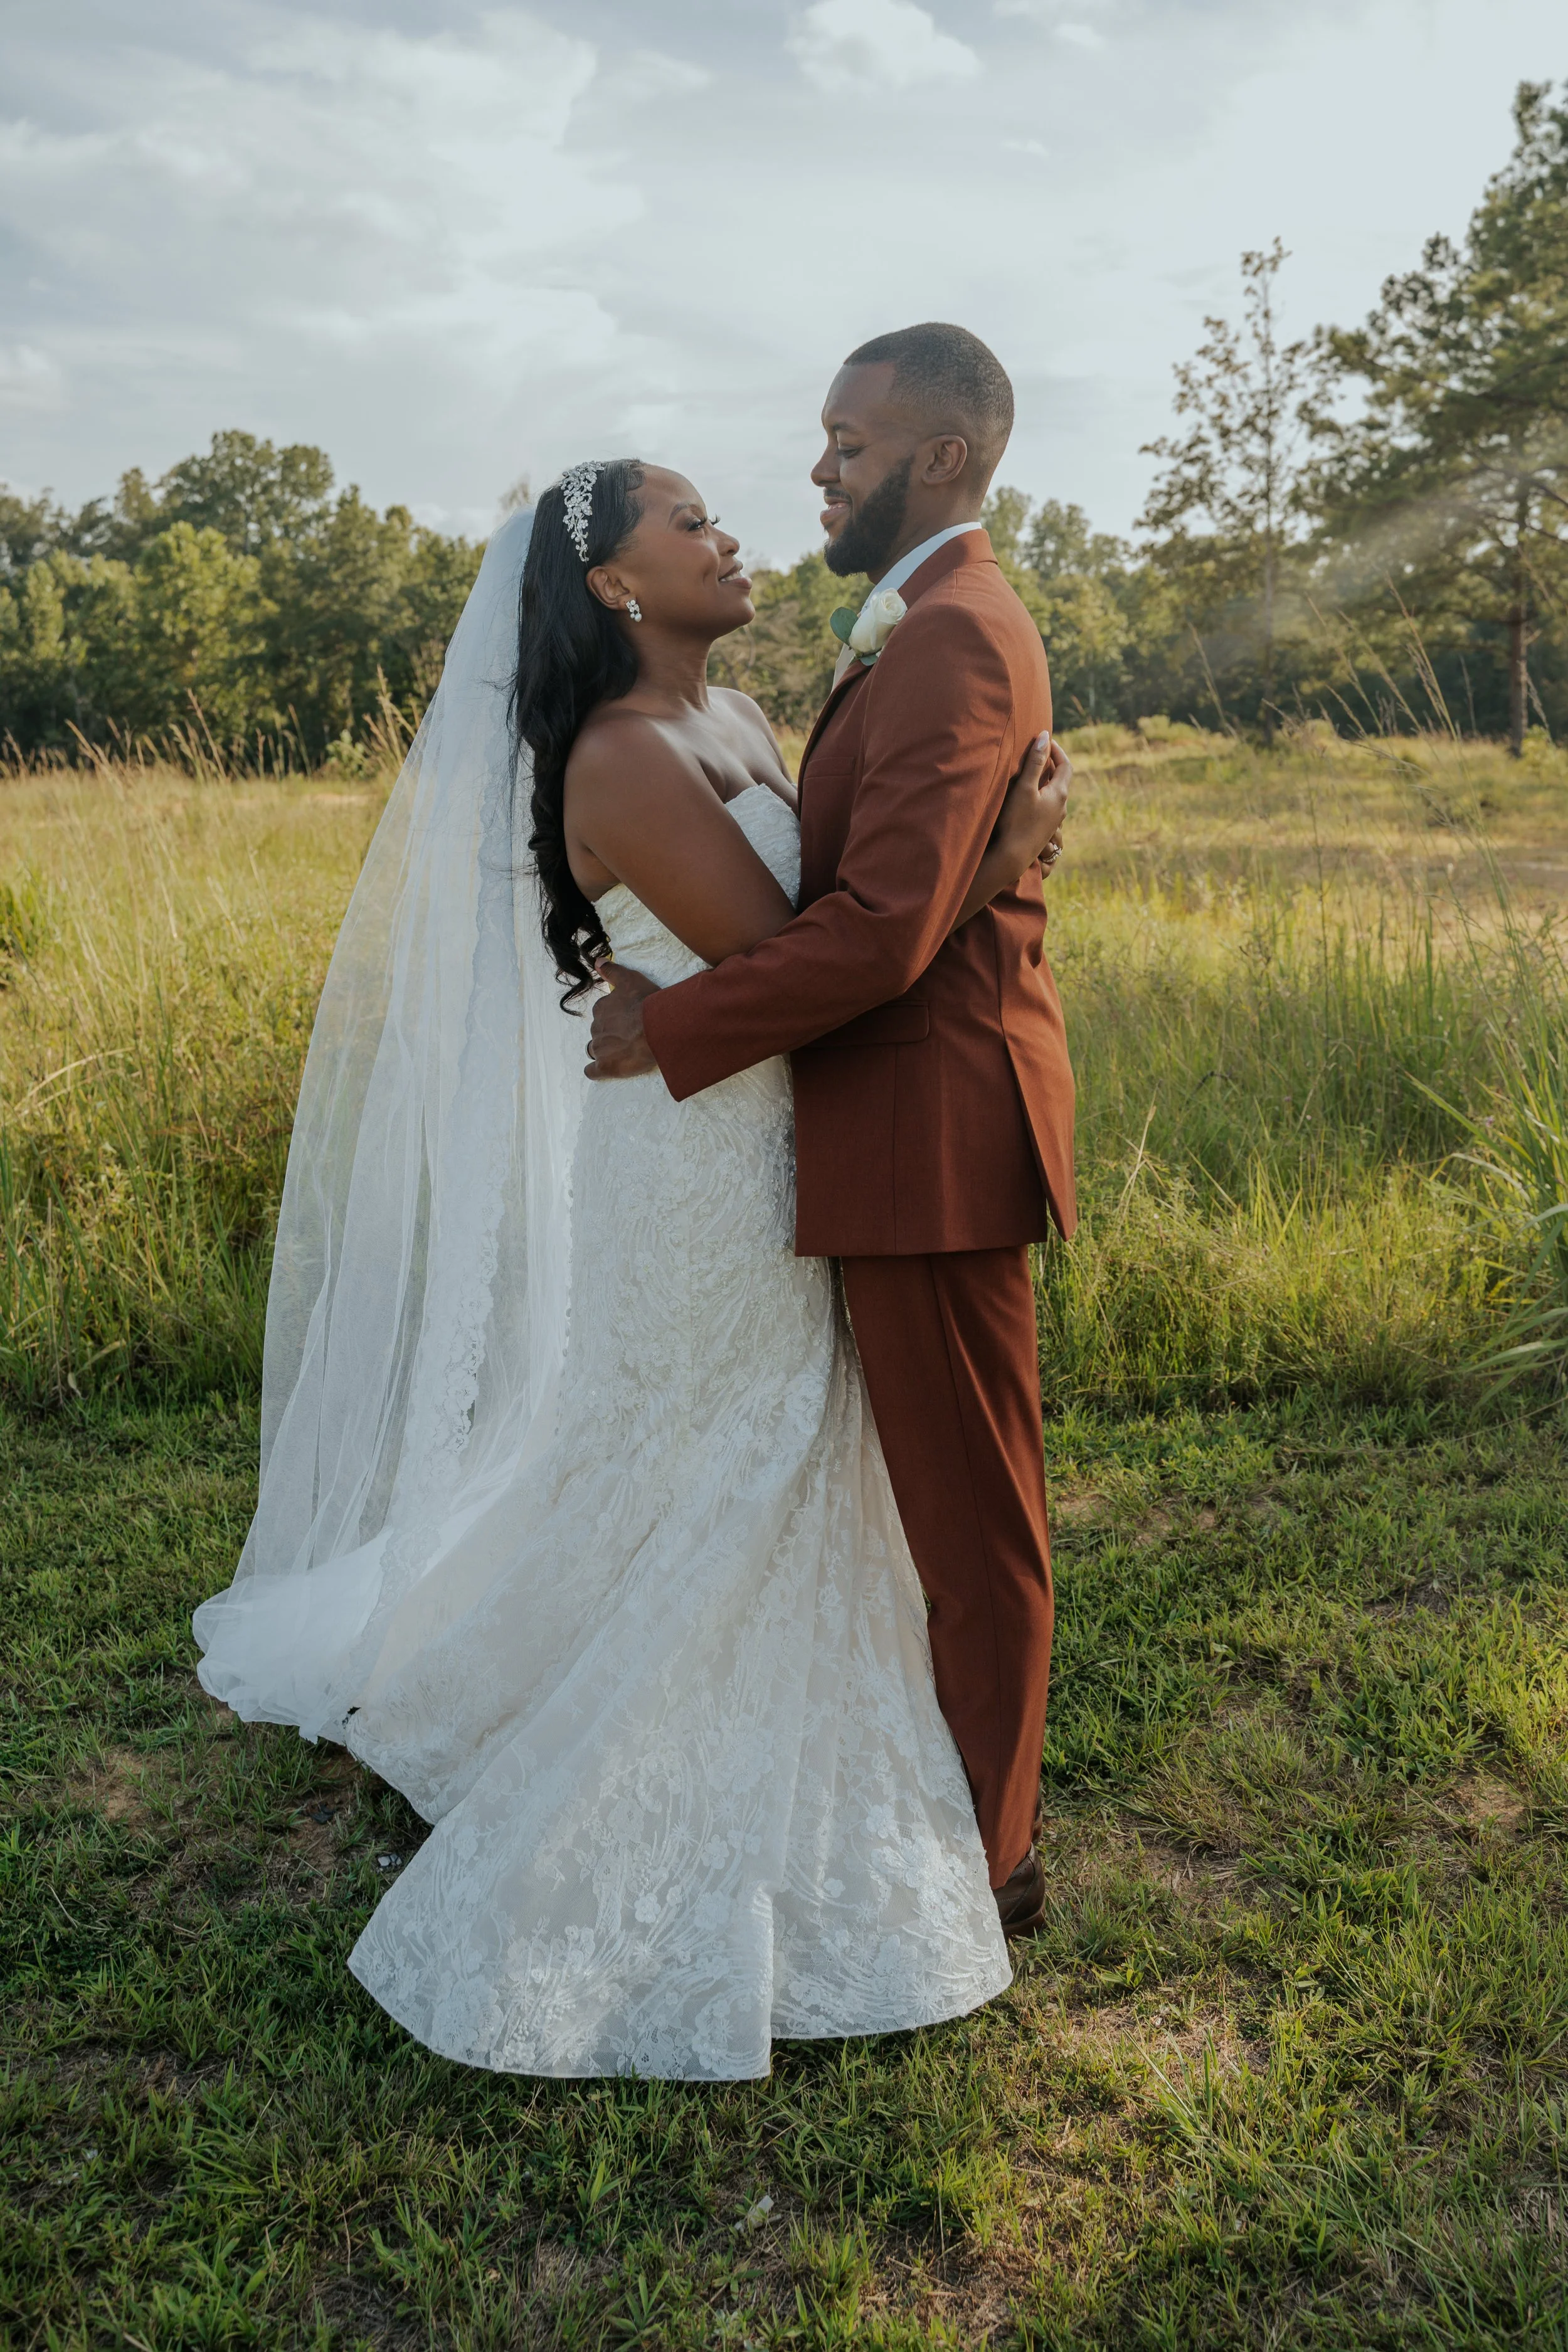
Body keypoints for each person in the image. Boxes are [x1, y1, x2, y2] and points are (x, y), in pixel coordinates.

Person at [193, 428, 1068, 2076]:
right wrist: (990, 867)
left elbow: (839, 918)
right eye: (688, 519)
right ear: (611, 580)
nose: (727, 532)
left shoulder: (733, 711)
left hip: (768, 1130)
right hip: (693, 1157)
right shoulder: (616, 754)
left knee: (765, 1440)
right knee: (702, 1434)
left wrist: (952, 863)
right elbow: (810, 954)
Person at [588, 323, 1076, 1939]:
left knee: (975, 1521)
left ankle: (987, 1864)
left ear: (944, 455)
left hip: (926, 1138)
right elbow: (894, 890)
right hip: (890, 1124)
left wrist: (671, 1026)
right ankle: (951, 1807)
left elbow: (872, 932)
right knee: (936, 1504)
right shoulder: (923, 625)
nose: (819, 467)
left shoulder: (950, 634)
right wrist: (992, 865)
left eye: (848, 442)